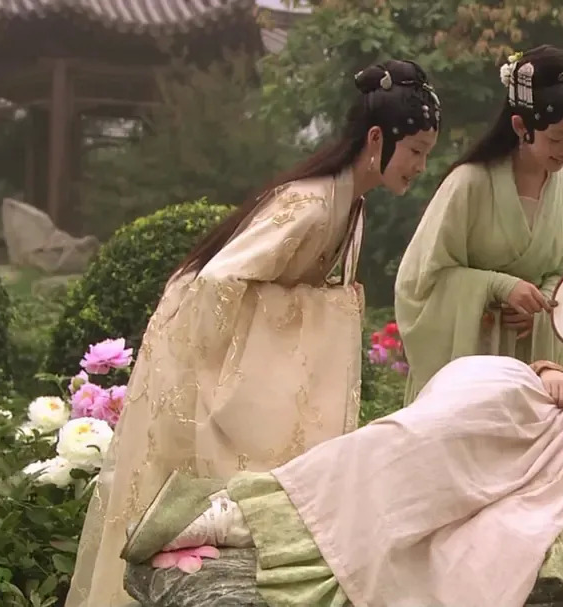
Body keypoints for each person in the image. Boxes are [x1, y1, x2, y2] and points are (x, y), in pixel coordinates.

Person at [65, 60, 442, 607]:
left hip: (229, 358)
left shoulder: (350, 205)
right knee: (183, 508)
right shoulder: (311, 204)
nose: (421, 166)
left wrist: (322, 306)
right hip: (196, 355)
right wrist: (326, 310)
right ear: (377, 138)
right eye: (416, 151)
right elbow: (216, 285)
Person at [122, 356, 563, 607]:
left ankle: (239, 522)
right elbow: (558, 376)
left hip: (558, 468)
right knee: (415, 438)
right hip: (531, 405)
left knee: (441, 505)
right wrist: (552, 372)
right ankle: (247, 506)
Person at [394, 45, 563, 403]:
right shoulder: (469, 182)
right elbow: (420, 282)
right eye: (555, 138)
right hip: (468, 363)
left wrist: (542, 308)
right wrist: (499, 287)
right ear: (520, 126)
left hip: (533, 361)